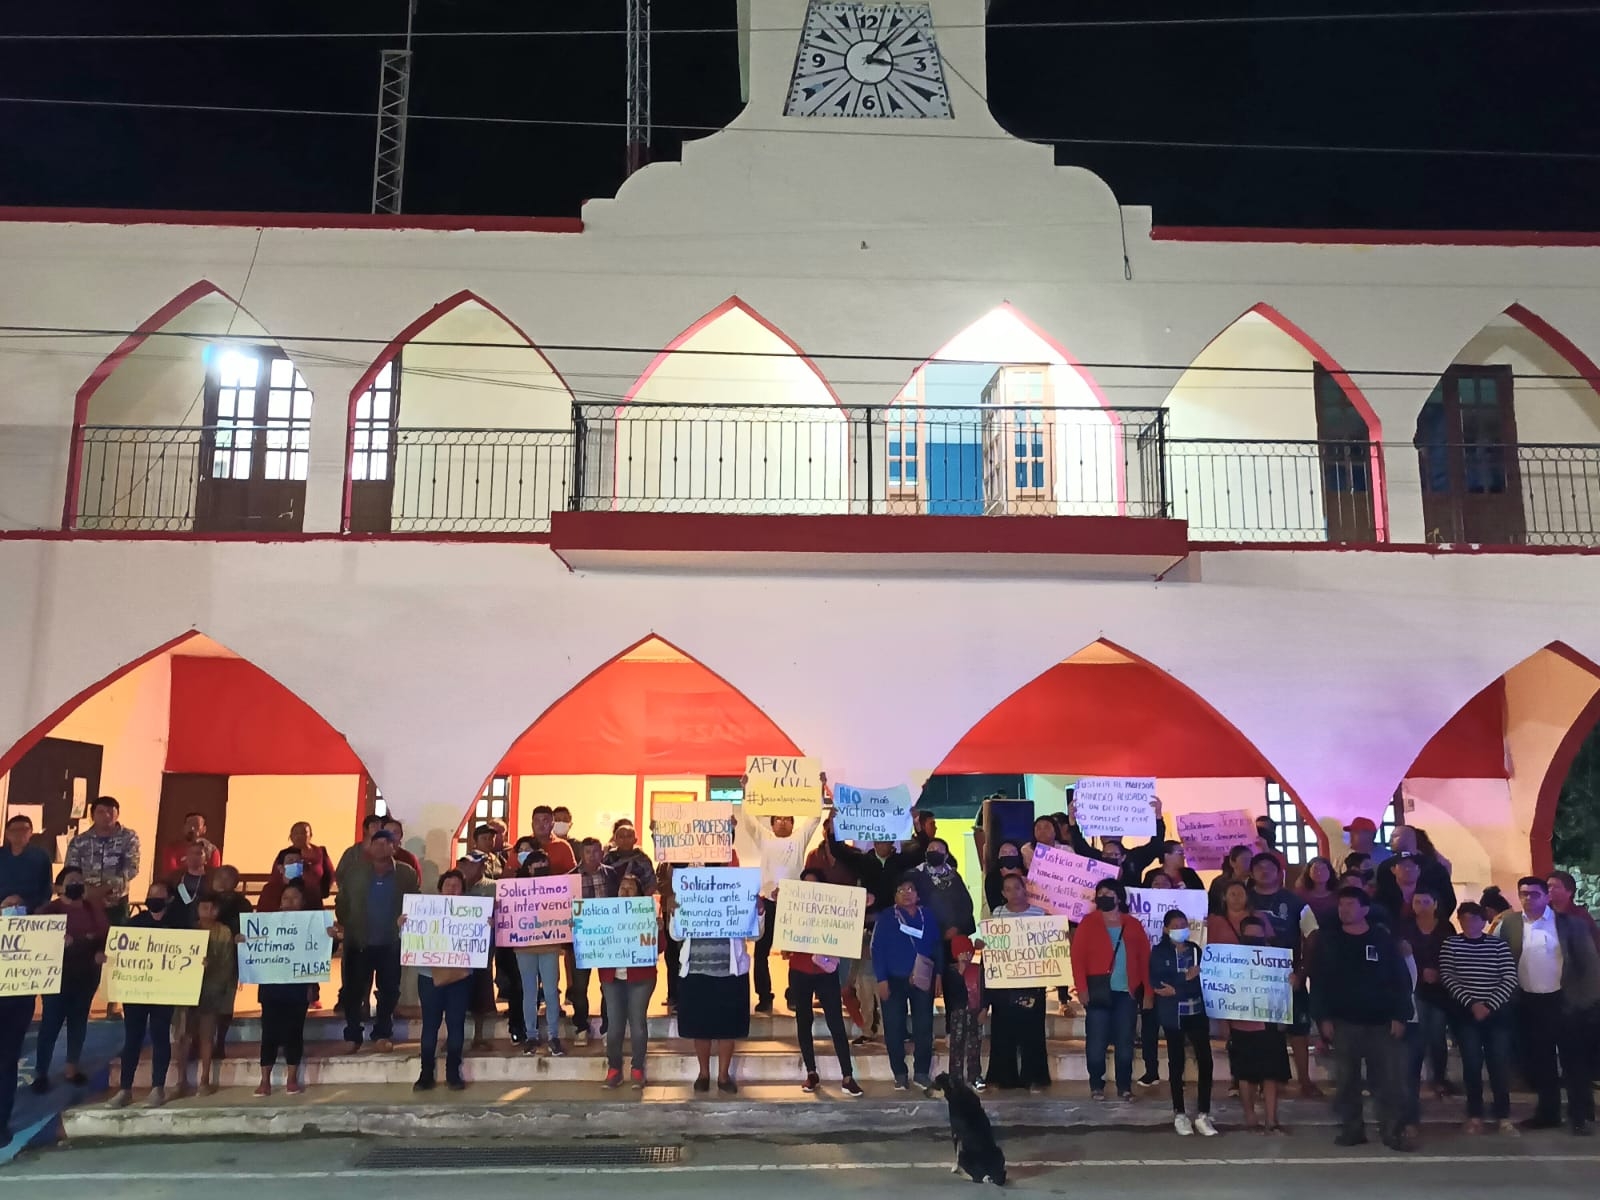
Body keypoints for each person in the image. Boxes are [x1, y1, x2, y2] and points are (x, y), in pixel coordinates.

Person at [1312, 886, 1414, 1151]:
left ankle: (1392, 1130)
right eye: (1341, 904)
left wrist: (1400, 1015)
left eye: (1350, 904)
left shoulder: (1382, 941)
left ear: (1365, 909)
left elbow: (1401, 981)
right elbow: (1320, 983)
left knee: (1388, 1081)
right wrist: (1323, 1018)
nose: (1344, 909)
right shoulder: (1329, 941)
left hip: (1382, 1023)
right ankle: (1352, 1128)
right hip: (1344, 1023)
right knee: (1346, 1081)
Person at [1496, 875, 1599, 1134]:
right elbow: (1499, 958)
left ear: (1546, 897)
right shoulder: (1509, 924)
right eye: (1523, 894)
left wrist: (1583, 1001)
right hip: (1529, 1002)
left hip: (1564, 1001)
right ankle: (1547, 1113)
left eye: (1534, 894)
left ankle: (1580, 1116)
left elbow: (1590, 965)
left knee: (1574, 1062)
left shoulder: (1570, 924)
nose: (1528, 899)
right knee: (1540, 1062)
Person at [670, 881, 763, 1094]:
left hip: (730, 973)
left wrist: (758, 911)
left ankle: (723, 1076)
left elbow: (756, 935)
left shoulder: (736, 898)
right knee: (700, 1028)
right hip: (696, 972)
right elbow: (676, 935)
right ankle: (703, 1074)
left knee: (727, 1028)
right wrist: (675, 913)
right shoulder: (691, 900)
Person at [335, 828, 419, 1054]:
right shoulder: (355, 872)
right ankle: (353, 1034)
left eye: (386, 843)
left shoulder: (406, 873)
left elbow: (415, 903)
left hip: (391, 943)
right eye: (376, 843)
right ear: (369, 847)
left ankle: (382, 1033)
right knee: (354, 991)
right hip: (358, 942)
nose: (381, 847)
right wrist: (346, 924)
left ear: (395, 847)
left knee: (389, 991)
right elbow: (342, 901)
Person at [1439, 900, 1518, 1134]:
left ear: (1483, 921)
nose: (1470, 923)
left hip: (1497, 1014)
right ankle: (1475, 1114)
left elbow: (1509, 978)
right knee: (1472, 1065)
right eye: (1464, 919)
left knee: (1499, 1065)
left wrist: (1489, 1005)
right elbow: (1448, 976)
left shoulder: (1498, 946)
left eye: (1475, 918)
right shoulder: (1451, 944)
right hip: (1465, 1014)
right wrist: (1472, 1003)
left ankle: (1503, 1115)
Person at [1248, 851, 1320, 1099]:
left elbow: (1312, 935)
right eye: (1259, 867)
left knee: (1298, 1030)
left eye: (1270, 867)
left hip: (1289, 976)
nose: (1264, 871)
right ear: (1251, 872)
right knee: (1263, 1032)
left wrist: (1302, 972)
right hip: (1253, 979)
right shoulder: (1242, 899)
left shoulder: (1295, 901)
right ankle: (1268, 1080)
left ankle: (1305, 1080)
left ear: (1279, 873)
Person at [783, 868, 861, 1095]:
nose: (809, 889)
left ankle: (847, 1076)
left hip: (826, 971)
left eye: (814, 884)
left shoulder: (832, 911)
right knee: (803, 1021)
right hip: (799, 970)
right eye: (805, 884)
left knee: (836, 1023)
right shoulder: (793, 909)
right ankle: (811, 1073)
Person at [252, 877, 332, 1096]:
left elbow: (322, 952)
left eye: (294, 898)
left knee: (294, 1032)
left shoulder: (313, 925)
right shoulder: (265, 924)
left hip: (298, 986)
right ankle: (265, 1080)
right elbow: (253, 949)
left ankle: (292, 1078)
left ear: (302, 902)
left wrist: (330, 937)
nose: (289, 901)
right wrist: (243, 940)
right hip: (271, 985)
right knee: (268, 1032)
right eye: (286, 898)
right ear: (280, 902)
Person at [32, 865, 108, 1094]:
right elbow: (34, 936)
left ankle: (71, 1069)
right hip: (57, 977)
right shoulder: (48, 910)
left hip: (86, 975)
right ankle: (41, 1073)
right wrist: (56, 939)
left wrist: (99, 950)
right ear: (59, 886)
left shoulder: (92, 908)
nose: (76, 884)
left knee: (78, 1023)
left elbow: (106, 936)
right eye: (71, 880)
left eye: (79, 881)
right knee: (50, 1025)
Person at [741, 801, 822, 1014]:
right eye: (778, 819)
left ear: (793, 823)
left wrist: (819, 790)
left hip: (793, 904)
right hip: (768, 903)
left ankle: (793, 995)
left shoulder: (799, 839)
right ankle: (764, 997)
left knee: (795, 953)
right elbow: (749, 821)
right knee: (761, 952)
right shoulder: (765, 838)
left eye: (787, 819)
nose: (782, 822)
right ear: (772, 823)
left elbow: (814, 818)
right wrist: (747, 792)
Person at [1073, 877, 1149, 1101]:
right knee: (1096, 1041)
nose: (1103, 896)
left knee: (1125, 1042)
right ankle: (1096, 1084)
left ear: (1119, 897)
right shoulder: (1088, 922)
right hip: (1097, 992)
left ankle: (1124, 1086)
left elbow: (1144, 959)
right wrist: (1081, 988)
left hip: (1127, 993)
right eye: (1100, 893)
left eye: (1108, 893)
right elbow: (1078, 958)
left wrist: (1148, 992)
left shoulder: (1133, 924)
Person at [106, 881, 179, 1109]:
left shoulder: (178, 925)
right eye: (150, 895)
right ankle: (125, 1089)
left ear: (169, 899)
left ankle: (158, 1088)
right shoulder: (135, 923)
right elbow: (119, 949)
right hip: (135, 990)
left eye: (158, 895)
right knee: (132, 1039)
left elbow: (189, 953)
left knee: (160, 1036)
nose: (152, 899)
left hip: (163, 990)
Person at [1149, 908, 1216, 1136]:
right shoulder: (1159, 952)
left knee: (1205, 1061)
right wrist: (1184, 980)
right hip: (1173, 1016)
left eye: (1183, 924)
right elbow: (1158, 983)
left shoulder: (1195, 950)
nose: (1180, 929)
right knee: (1176, 1064)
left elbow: (1198, 983)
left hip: (1197, 1013)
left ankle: (1203, 1114)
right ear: (1166, 929)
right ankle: (1179, 1113)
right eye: (1175, 926)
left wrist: (1176, 987)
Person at [871, 877, 942, 1091]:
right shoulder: (886, 917)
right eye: (901, 890)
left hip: (922, 979)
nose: (906, 893)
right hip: (893, 979)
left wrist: (938, 975)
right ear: (895, 895)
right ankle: (899, 1074)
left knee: (924, 1025)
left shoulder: (927, 915)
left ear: (918, 894)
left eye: (910, 889)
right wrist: (881, 979)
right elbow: (877, 949)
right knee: (893, 1027)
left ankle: (921, 1073)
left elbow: (937, 946)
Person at [983, 873, 1050, 1091]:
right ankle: (1003, 1077)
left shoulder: (1040, 914)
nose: (1013, 892)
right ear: (1003, 893)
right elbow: (992, 946)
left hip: (1032, 980)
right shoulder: (998, 914)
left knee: (1032, 1031)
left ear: (1025, 889)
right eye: (1008, 889)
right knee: (1003, 1030)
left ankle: (1034, 1077)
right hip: (1005, 981)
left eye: (1017, 887)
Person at [1224, 913, 1291, 1132]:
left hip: (1269, 1022)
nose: (1253, 943)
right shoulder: (1230, 959)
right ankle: (1250, 1117)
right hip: (1241, 1023)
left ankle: (1272, 1120)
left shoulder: (1275, 959)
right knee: (1245, 1074)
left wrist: (1290, 981)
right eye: (1249, 938)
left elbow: (1285, 989)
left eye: (1257, 938)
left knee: (1271, 1074)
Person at [409, 869, 473, 1091]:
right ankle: (425, 1074)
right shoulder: (425, 912)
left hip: (461, 977)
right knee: (430, 1026)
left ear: (463, 892)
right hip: (428, 977)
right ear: (440, 888)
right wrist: (403, 926)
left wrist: (487, 927)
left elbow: (482, 945)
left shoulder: (471, 914)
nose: (452, 889)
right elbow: (408, 941)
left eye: (457, 886)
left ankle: (453, 1073)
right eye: (448, 885)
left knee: (456, 1026)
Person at [171, 892, 239, 1097]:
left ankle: (204, 1080)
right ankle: (180, 1080)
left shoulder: (224, 932)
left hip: (211, 992)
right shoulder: (188, 931)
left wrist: (211, 971)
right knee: (183, 1037)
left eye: (212, 908)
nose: (208, 912)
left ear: (218, 911)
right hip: (185, 992)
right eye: (204, 907)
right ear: (198, 909)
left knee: (207, 1037)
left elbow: (227, 965)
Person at [600, 873, 660, 1089]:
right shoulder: (604, 915)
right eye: (622, 887)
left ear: (639, 893)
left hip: (641, 977)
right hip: (612, 977)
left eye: (630, 888)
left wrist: (658, 929)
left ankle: (637, 1069)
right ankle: (614, 1069)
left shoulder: (648, 914)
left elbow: (659, 947)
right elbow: (592, 940)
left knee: (638, 1025)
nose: (625, 891)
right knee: (614, 1026)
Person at [1397, 886, 1456, 1098]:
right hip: (1414, 989)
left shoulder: (1445, 927)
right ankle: (1414, 1080)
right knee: (1417, 1036)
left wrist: (1439, 973)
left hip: (1440, 990)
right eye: (1417, 902)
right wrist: (1421, 972)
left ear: (1436, 904)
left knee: (1438, 1035)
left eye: (1426, 902)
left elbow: (1453, 955)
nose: (1421, 907)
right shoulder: (1405, 927)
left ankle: (1438, 1077)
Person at [513, 846, 568, 1057]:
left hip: (550, 945)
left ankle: (553, 1035)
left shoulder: (557, 888)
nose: (542, 869)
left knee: (552, 991)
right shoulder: (516, 889)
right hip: (524, 945)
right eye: (538, 866)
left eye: (546, 866)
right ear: (528, 868)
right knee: (529, 991)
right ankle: (531, 1035)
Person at [65, 796, 141, 924]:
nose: (106, 816)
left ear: (117, 814)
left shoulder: (128, 837)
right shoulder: (79, 841)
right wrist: (88, 891)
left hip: (115, 901)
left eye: (111, 812)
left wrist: (107, 887)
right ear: (92, 816)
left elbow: (132, 867)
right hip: (85, 900)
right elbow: (70, 871)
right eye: (101, 812)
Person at [566, 837, 611, 1045]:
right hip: (580, 941)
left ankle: (607, 1027)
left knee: (608, 985)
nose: (593, 856)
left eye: (596, 852)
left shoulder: (611, 874)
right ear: (581, 855)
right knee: (579, 987)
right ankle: (580, 1026)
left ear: (602, 852)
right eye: (588, 852)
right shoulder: (570, 878)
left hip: (606, 939)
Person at [0, 892, 37, 1139]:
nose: (13, 909)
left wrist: (61, 943)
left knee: (6, 1064)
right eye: (8, 906)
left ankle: (1, 1123)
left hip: (18, 1009)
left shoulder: (38, 936)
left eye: (18, 906)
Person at [1375, 827, 1455, 916]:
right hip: (1395, 924)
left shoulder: (1434, 867)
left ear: (1409, 838)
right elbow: (1382, 898)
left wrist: (1436, 921)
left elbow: (1448, 900)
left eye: (1395, 836)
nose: (1390, 840)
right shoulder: (1386, 866)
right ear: (1393, 870)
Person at [944, 934, 986, 1090]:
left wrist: (984, 1008)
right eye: (963, 953)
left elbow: (983, 990)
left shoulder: (978, 970)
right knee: (957, 1047)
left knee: (974, 1046)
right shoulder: (951, 973)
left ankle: (974, 1075)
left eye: (969, 952)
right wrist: (961, 973)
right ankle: (956, 1077)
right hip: (958, 1015)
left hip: (975, 1013)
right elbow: (953, 996)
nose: (966, 956)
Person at [1, 813, 52, 912]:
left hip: (32, 912)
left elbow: (46, 890)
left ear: (31, 832)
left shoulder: (41, 856)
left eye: (24, 830)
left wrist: (27, 903)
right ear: (7, 834)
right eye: (15, 830)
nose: (19, 834)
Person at [157, 812, 221, 881]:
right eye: (189, 824)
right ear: (184, 827)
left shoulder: (212, 851)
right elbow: (170, 874)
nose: (192, 828)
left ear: (204, 829)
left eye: (196, 825)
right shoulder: (172, 849)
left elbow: (213, 877)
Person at [1547, 870, 1600, 953]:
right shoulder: (1543, 913)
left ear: (1569, 892)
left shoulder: (1580, 915)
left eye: (1556, 887)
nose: (1550, 890)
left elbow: (1595, 944)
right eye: (1548, 886)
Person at [166, 840, 212, 926]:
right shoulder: (175, 877)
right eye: (191, 853)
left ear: (207, 858)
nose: (194, 856)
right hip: (178, 922)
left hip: (203, 923)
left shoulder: (212, 879)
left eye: (198, 853)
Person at [288, 822, 335, 903]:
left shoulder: (320, 852)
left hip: (315, 899)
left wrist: (323, 891)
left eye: (303, 832)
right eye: (296, 833)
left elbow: (331, 874)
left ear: (310, 835)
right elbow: (277, 879)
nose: (299, 836)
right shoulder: (285, 855)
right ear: (291, 837)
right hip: (293, 902)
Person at [529, 805, 578, 873]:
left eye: (545, 821)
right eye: (537, 821)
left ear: (552, 824)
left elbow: (574, 876)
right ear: (532, 824)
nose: (541, 825)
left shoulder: (563, 846)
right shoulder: (522, 846)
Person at [209, 865, 253, 937]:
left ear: (235, 883)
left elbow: (245, 929)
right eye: (219, 877)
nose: (222, 882)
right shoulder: (205, 900)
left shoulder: (242, 904)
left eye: (227, 879)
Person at [1297, 856, 1340, 925]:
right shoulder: (1300, 895)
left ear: (1330, 871)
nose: (1320, 873)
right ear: (1308, 872)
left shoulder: (1338, 893)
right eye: (1315, 869)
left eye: (1324, 869)